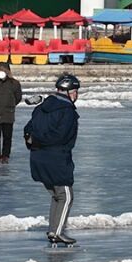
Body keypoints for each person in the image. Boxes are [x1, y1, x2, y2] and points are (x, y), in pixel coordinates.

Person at [24, 74, 81, 246]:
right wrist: (43, 142)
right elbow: (61, 136)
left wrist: (34, 141)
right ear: (70, 92)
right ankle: (56, 232)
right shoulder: (67, 111)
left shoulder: (41, 108)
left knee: (57, 196)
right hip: (56, 158)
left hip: (38, 158)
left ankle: (53, 230)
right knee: (67, 196)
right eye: (76, 91)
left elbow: (28, 130)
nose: (76, 95)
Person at [0, 62, 23, 164]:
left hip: (8, 114)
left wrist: (11, 104)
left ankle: (6, 155)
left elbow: (18, 97)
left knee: (7, 137)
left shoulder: (14, 83)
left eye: (3, 70)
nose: (1, 73)